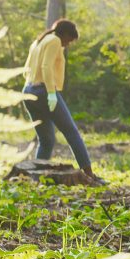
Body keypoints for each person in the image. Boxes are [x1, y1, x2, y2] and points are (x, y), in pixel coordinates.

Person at [22, 19, 104, 185]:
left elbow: (27, 69)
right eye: (70, 39)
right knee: (71, 132)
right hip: (44, 91)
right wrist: (51, 93)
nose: (68, 44)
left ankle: (37, 177)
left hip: (29, 91)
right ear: (65, 34)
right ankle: (89, 175)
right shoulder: (54, 40)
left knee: (46, 140)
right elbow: (46, 67)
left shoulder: (39, 41)